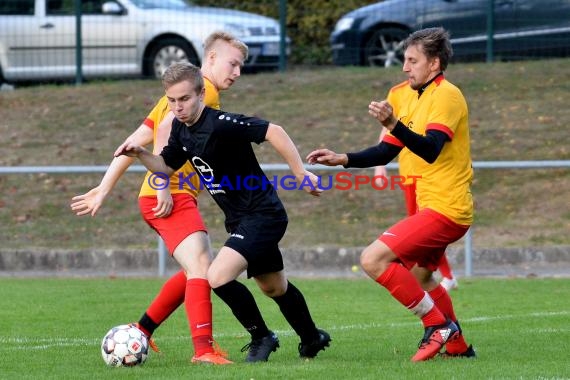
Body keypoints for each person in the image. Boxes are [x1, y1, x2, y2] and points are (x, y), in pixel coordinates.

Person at [114, 61, 331, 363]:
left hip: (263, 214)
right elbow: (164, 167)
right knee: (273, 286)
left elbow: (274, 131)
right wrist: (140, 153)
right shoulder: (180, 129)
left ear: (202, 94)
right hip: (240, 219)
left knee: (216, 276)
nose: (178, 107)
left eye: (185, 99)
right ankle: (312, 338)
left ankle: (262, 337)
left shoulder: (221, 123)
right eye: (172, 101)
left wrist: (299, 172)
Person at [70, 31, 249, 365]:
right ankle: (204, 351)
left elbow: (135, 141)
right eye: (233, 63)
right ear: (210, 59)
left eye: (241, 66)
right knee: (200, 267)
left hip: (165, 195)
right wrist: (163, 182)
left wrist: (104, 187)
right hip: (169, 195)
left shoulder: (184, 94)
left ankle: (143, 329)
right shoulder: (201, 91)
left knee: (198, 267)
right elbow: (165, 133)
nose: (237, 72)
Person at [307, 27, 475, 361]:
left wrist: (395, 124)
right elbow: (385, 152)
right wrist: (344, 159)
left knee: (372, 259)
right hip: (431, 204)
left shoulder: (448, 95)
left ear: (434, 63)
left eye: (412, 61)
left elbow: (429, 149)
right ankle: (457, 347)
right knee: (421, 276)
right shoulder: (402, 93)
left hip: (448, 208)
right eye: (404, 60)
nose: (405, 67)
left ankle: (436, 325)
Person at [374, 131, 459, 291]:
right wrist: (380, 166)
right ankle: (447, 276)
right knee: (423, 230)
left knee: (428, 229)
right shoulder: (400, 106)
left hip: (429, 175)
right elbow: (387, 130)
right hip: (410, 174)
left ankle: (446, 276)